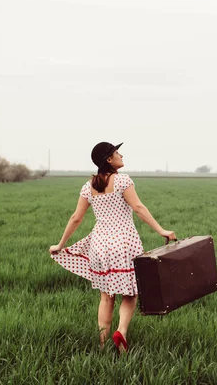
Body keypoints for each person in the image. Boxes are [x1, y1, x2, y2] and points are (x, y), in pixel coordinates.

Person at [49, 142, 176, 352]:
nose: (121, 155)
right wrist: (161, 230)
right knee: (130, 294)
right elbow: (138, 207)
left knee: (106, 297)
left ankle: (102, 345)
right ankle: (121, 332)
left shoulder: (88, 187)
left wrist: (60, 244)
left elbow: (75, 218)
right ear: (109, 159)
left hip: (99, 245)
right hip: (124, 243)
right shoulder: (123, 180)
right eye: (117, 153)